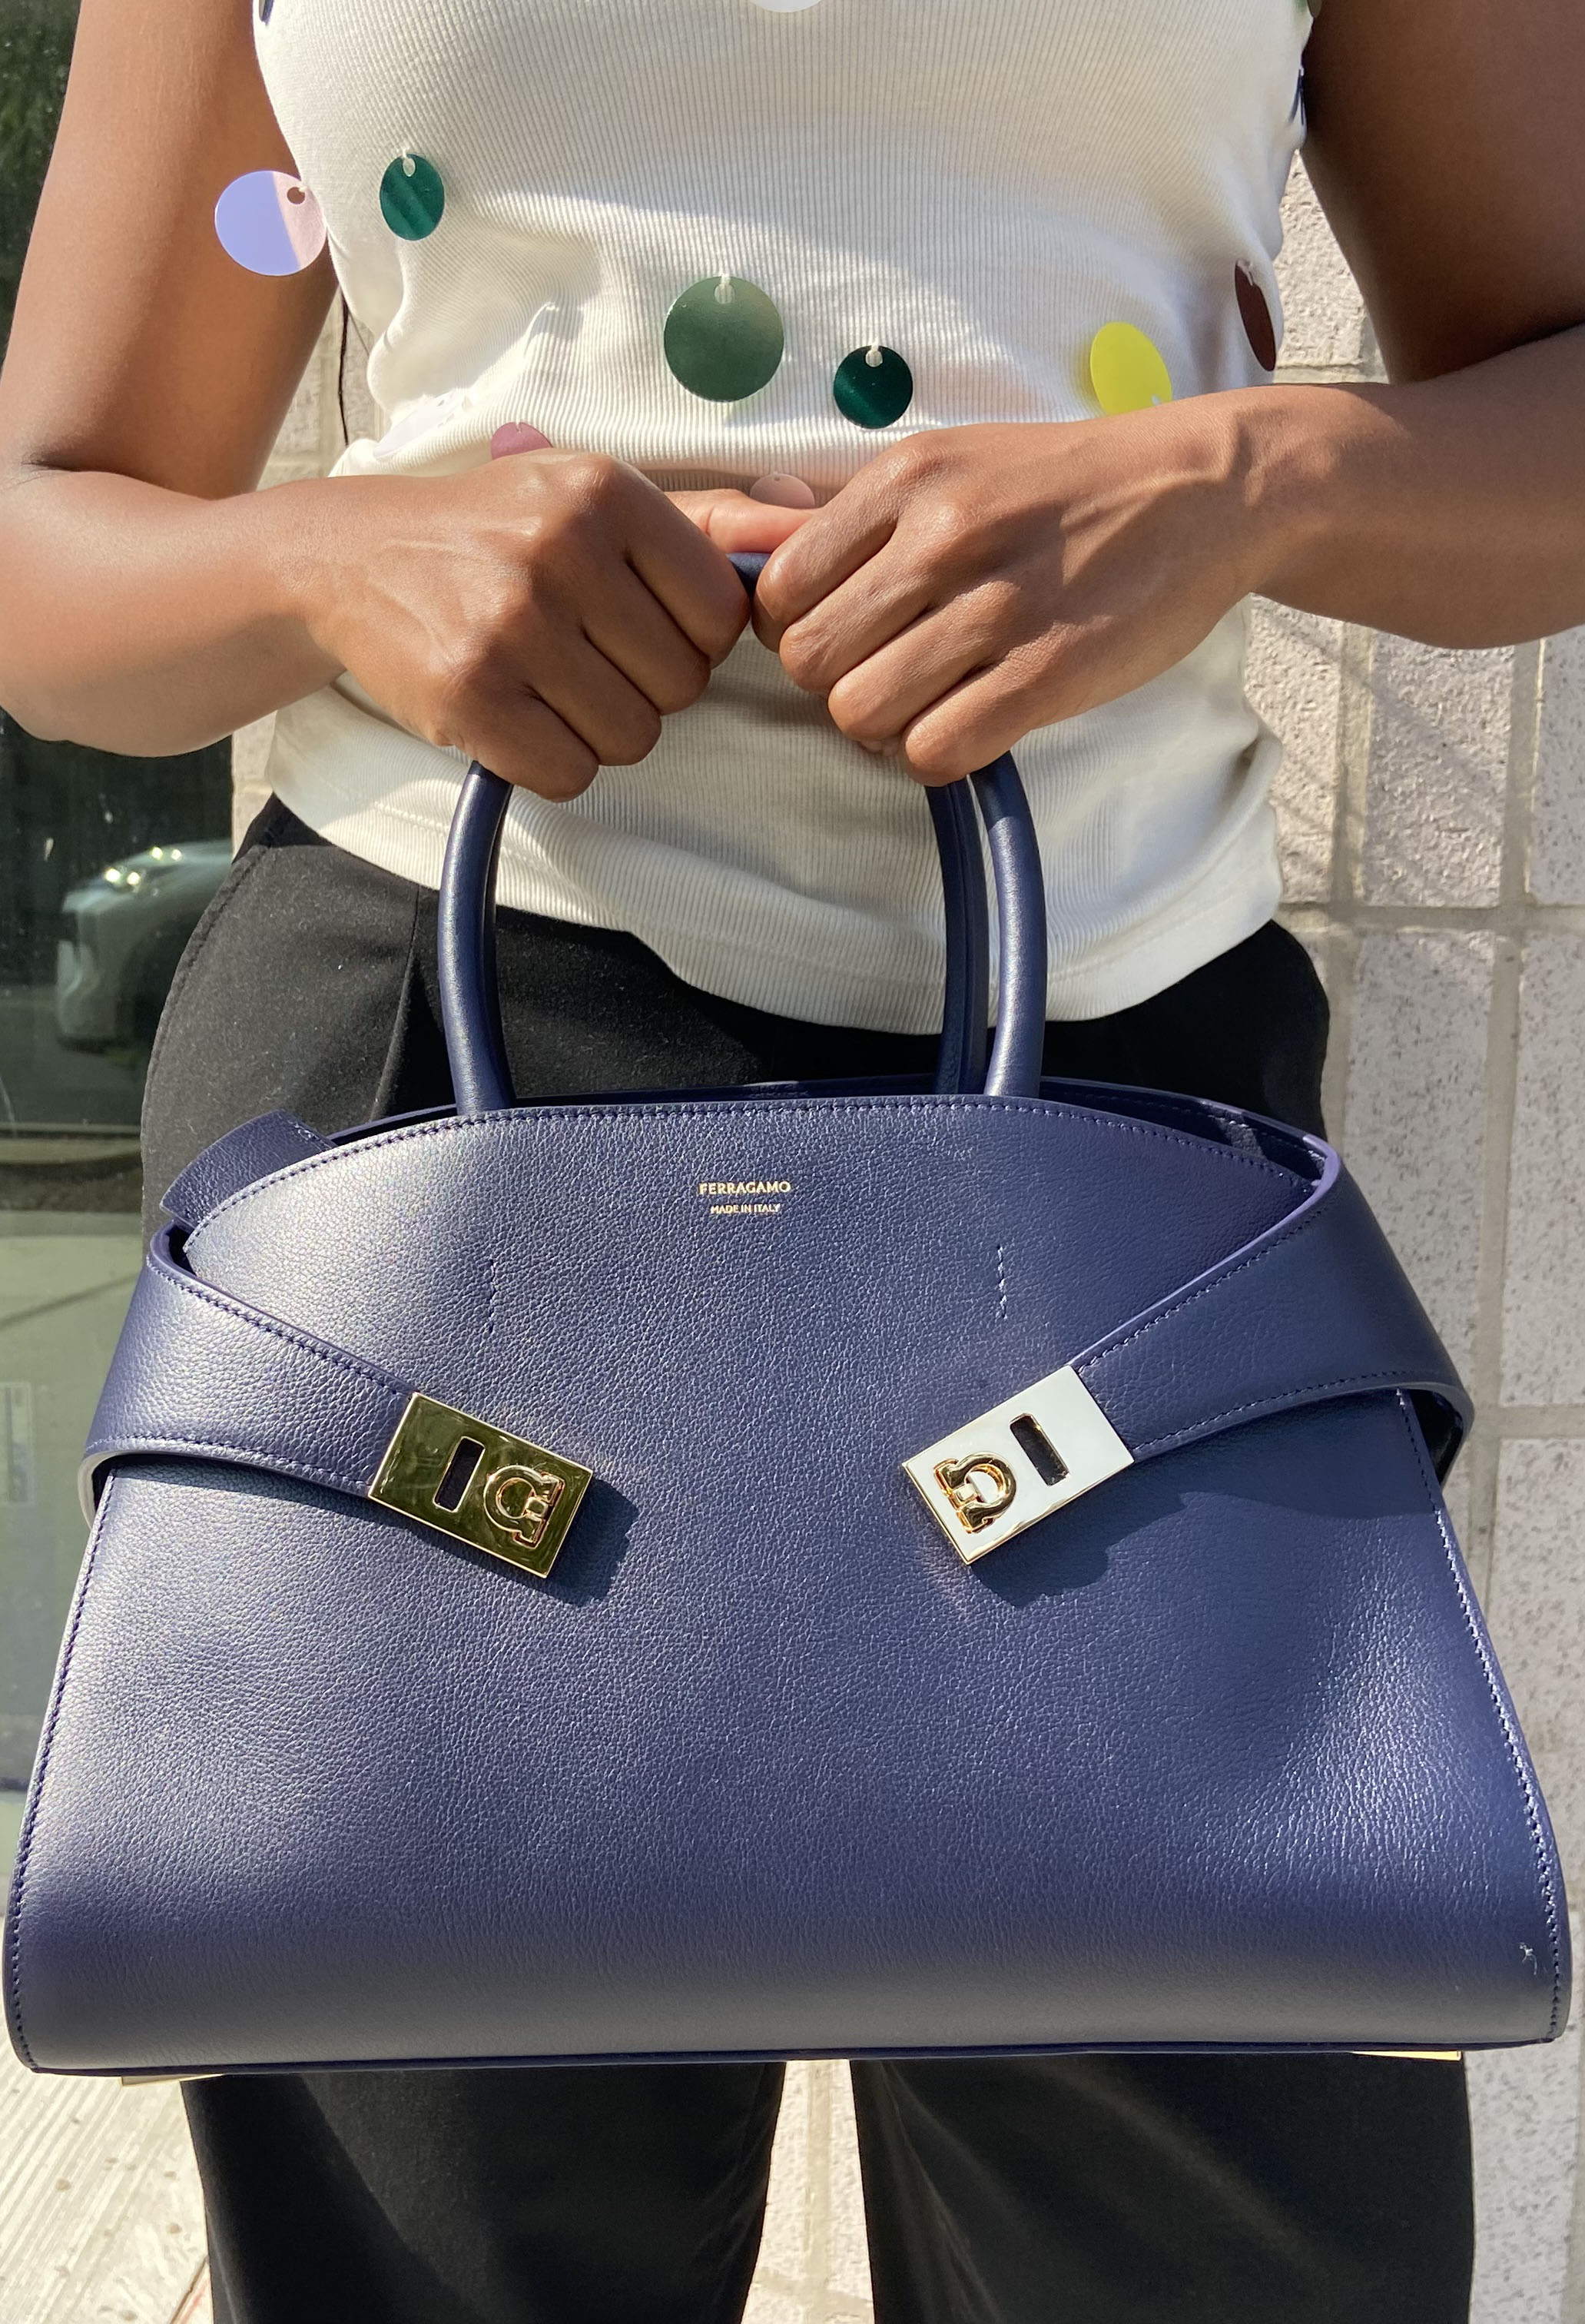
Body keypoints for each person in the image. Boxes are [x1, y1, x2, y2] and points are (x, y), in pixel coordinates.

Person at [2, 0, 1582, 2315]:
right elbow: (51, 547)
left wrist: (1252, 478)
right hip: (437, 1120)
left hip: (1110, 1154)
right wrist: (341, 563)